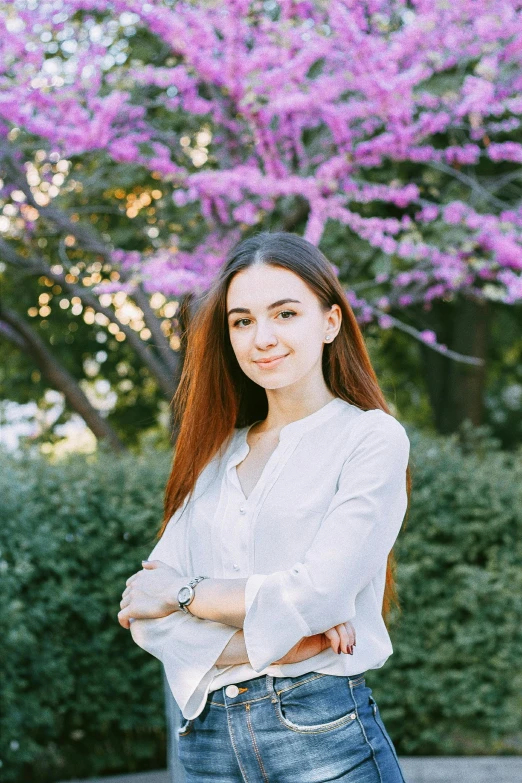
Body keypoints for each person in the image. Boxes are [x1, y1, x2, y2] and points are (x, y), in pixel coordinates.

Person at [118, 231, 411, 782]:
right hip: (204, 744)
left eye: (284, 313)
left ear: (330, 322)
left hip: (319, 734)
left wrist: (185, 595)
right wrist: (293, 641)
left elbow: (320, 592)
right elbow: (143, 617)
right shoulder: (215, 456)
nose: (263, 338)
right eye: (242, 321)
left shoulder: (371, 438)